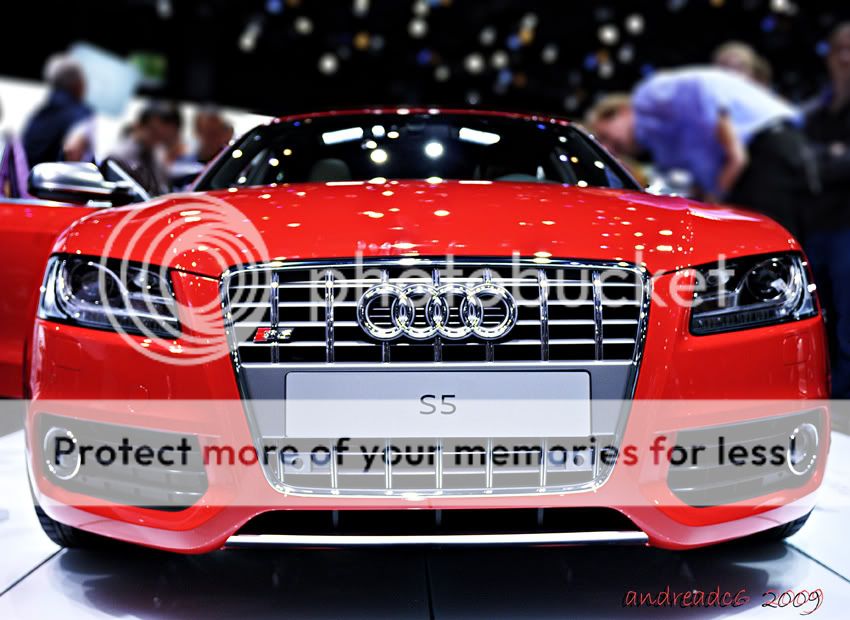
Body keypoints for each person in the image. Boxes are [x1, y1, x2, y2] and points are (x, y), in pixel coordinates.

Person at [586, 67, 816, 238]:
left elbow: (701, 90)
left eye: (604, 136)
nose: (609, 149)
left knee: (776, 242)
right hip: (750, 169)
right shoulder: (660, 149)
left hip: (767, 148)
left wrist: (732, 154)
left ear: (620, 111)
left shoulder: (648, 96)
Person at [804, 22, 850, 399]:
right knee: (817, 321)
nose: (846, 58)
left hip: (847, 229)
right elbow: (801, 163)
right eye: (839, 49)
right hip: (814, 226)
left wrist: (825, 161)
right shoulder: (816, 109)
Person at [22, 54, 93, 166]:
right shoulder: (82, 114)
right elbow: (72, 150)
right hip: (50, 176)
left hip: (27, 173)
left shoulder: (41, 111)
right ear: (78, 84)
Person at [100, 103, 180, 198]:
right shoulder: (118, 157)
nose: (156, 138)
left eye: (161, 135)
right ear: (138, 125)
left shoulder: (156, 155)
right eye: (153, 131)